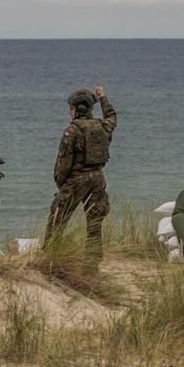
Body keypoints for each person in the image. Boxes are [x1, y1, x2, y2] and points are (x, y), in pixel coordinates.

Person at [44, 85, 117, 257]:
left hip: (76, 180)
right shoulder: (103, 126)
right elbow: (112, 117)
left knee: (57, 219)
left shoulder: (72, 130)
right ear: (90, 109)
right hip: (98, 179)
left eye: (71, 109)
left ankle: (50, 257)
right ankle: (92, 261)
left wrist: (61, 185)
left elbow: (63, 163)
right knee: (94, 222)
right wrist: (102, 98)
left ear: (75, 110)